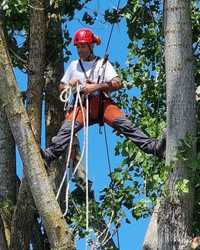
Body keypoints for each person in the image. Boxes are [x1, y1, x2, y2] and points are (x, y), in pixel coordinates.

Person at [42, 28, 165, 166]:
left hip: (101, 104)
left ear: (91, 46)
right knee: (66, 129)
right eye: (78, 47)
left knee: (126, 125)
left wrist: (95, 87)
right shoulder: (74, 66)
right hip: (81, 106)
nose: (80, 50)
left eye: (83, 46)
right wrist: (70, 85)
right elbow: (61, 87)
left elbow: (117, 83)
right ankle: (49, 155)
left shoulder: (102, 64)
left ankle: (154, 148)